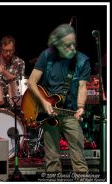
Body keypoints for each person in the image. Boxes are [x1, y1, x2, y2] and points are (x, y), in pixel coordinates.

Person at [27, 23, 90, 173]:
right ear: (58, 45)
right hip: (49, 113)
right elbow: (31, 82)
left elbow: (82, 86)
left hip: (70, 112)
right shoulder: (46, 56)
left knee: (79, 161)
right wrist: (43, 102)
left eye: (74, 44)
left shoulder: (82, 60)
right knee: (52, 161)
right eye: (68, 46)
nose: (73, 49)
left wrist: (81, 107)